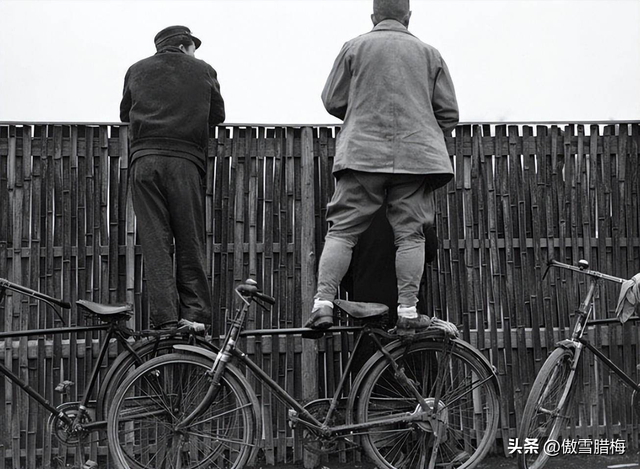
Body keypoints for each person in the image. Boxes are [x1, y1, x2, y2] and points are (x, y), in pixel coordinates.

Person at [305, 0, 459, 335]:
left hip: (362, 152)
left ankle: (322, 305)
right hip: (416, 157)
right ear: (409, 16)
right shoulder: (430, 54)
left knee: (343, 231)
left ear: (373, 16)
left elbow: (332, 99)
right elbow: (448, 114)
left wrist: (363, 109)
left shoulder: (354, 47)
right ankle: (407, 312)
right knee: (410, 234)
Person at [120, 25, 225, 330]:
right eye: (194, 47)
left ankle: (165, 320)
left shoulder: (136, 70)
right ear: (184, 46)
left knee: (156, 242)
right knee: (189, 239)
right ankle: (194, 317)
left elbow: (125, 113)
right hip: (184, 162)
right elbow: (217, 115)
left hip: (144, 162)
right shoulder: (204, 71)